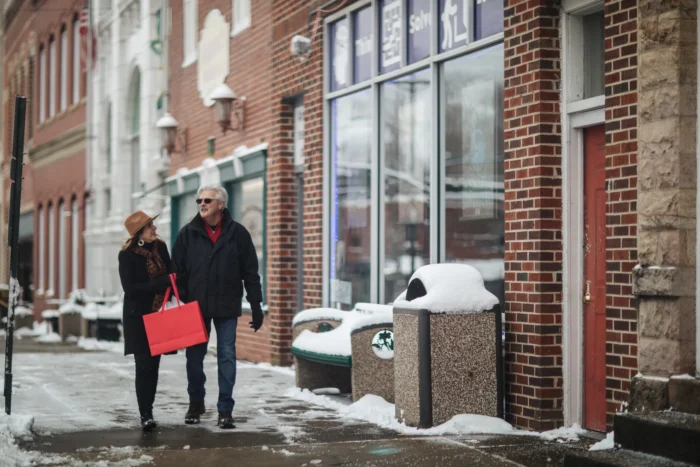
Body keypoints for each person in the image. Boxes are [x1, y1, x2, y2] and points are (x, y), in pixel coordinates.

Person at [172, 184, 264, 429]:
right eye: (199, 200)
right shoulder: (187, 234)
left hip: (226, 305)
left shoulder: (238, 234)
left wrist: (256, 305)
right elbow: (177, 271)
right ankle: (196, 402)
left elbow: (251, 273)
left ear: (221, 205)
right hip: (196, 308)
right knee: (194, 358)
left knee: (226, 357)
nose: (202, 204)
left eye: (208, 201)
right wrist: (183, 297)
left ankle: (225, 409)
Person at [118, 210, 175, 431]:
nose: (155, 229)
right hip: (138, 318)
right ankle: (146, 415)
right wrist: (159, 284)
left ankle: (149, 409)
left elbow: (172, 274)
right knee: (143, 366)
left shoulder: (161, 248)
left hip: (159, 314)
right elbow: (130, 289)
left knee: (154, 366)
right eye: (151, 226)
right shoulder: (127, 255)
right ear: (139, 232)